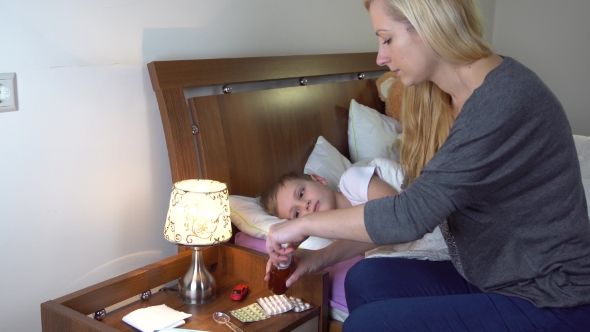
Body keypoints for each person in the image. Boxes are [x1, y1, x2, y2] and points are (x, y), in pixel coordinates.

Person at [265, 0, 590, 330]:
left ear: (427, 25)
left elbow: (408, 215)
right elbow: (408, 215)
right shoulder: (450, 100)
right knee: (365, 278)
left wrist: (302, 225)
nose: (380, 57)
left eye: (387, 38)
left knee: (369, 324)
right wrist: (314, 259)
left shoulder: (502, 100)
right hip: (496, 277)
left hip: (554, 297)